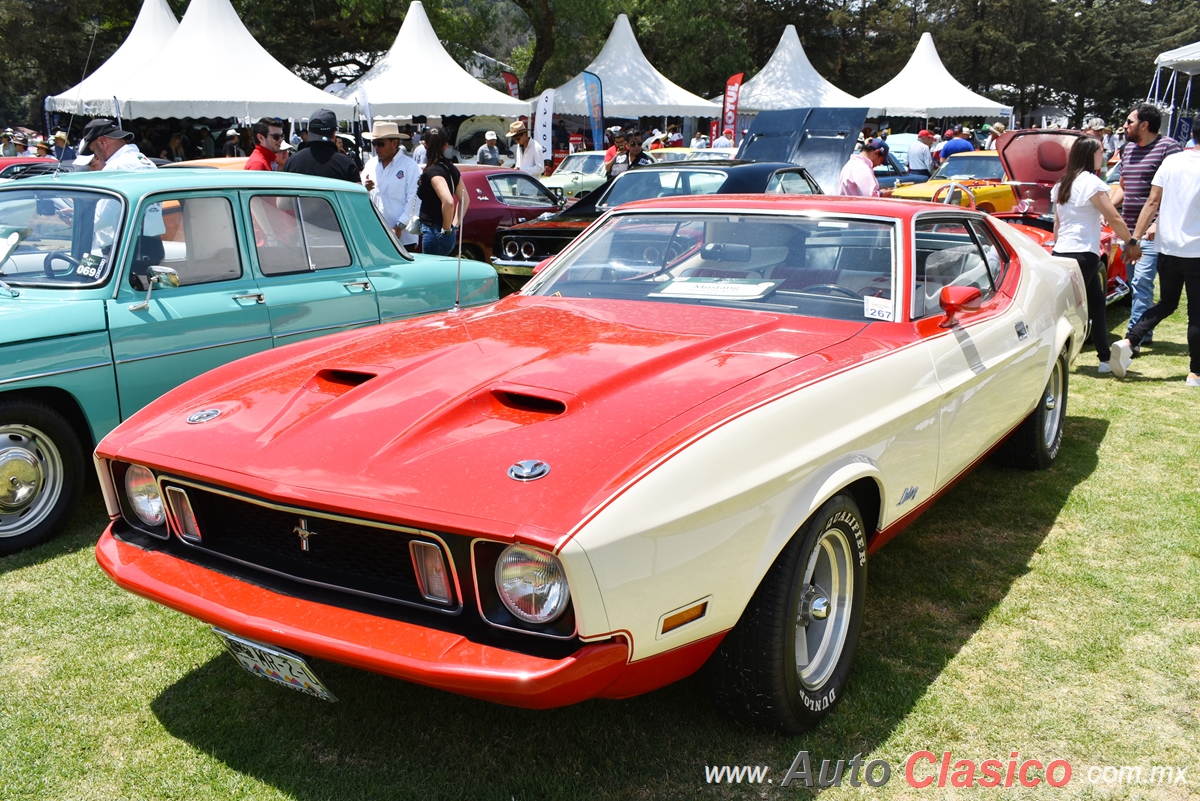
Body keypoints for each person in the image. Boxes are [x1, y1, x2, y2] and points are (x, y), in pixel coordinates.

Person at [1112, 123, 1200, 386]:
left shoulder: (1172, 161)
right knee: (1196, 313)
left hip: (1168, 248)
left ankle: (1130, 340)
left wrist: (1134, 239)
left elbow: (1152, 203)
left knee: (1167, 302)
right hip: (1196, 251)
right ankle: (1195, 372)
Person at [1051, 136, 1136, 376]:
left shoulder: (1062, 183)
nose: (1105, 155)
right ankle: (1055, 358)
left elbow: (1058, 224)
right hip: (1083, 252)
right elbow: (1114, 217)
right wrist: (1131, 242)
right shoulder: (1092, 183)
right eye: (1101, 151)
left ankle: (1105, 358)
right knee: (1069, 309)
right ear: (1091, 154)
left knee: (1097, 303)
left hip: (1063, 250)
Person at [1113, 102, 1182, 348]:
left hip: (1153, 231)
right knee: (1135, 284)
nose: (1124, 126)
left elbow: (1175, 190)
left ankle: (1132, 340)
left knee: (1142, 281)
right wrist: (1109, 211)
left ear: (1144, 125)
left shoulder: (1169, 148)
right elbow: (1123, 186)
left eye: (1129, 121)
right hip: (1128, 230)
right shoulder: (1127, 149)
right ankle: (1145, 332)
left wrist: (1158, 221)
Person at [362, 121, 420, 248]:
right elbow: (362, 196)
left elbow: (414, 200)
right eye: (374, 143)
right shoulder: (370, 165)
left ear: (394, 143)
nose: (376, 147)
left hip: (403, 239)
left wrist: (399, 227)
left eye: (380, 144)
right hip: (376, 236)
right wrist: (364, 189)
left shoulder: (410, 166)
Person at [415, 127, 468, 256]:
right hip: (443, 232)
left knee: (431, 274)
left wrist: (447, 229)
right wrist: (454, 224)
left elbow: (449, 201)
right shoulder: (451, 169)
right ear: (445, 146)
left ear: (425, 145)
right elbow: (465, 199)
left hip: (434, 231)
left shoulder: (434, 171)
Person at [282, 108, 360, 183]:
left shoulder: (292, 162)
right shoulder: (345, 163)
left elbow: (282, 195)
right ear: (333, 134)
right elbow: (357, 194)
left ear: (309, 132)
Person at [79, 119, 157, 170]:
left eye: (93, 150)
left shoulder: (114, 168)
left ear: (102, 142)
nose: (95, 156)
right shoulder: (148, 162)